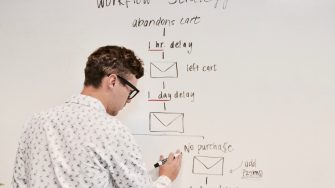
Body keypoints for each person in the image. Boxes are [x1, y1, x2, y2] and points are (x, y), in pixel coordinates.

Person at [13, 45, 182, 187]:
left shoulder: (35, 122)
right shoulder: (113, 131)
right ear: (113, 81)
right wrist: (166, 177)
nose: (128, 101)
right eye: (130, 91)